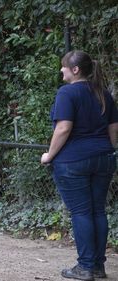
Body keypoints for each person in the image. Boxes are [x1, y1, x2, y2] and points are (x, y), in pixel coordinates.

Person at [41, 50, 118, 280]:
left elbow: (63, 128)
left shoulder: (67, 93)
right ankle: (97, 267)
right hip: (104, 157)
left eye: (63, 67)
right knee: (97, 210)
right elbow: (114, 128)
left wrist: (49, 155)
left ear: (75, 70)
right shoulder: (102, 93)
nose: (61, 71)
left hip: (73, 161)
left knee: (81, 212)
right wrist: (108, 147)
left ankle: (85, 267)